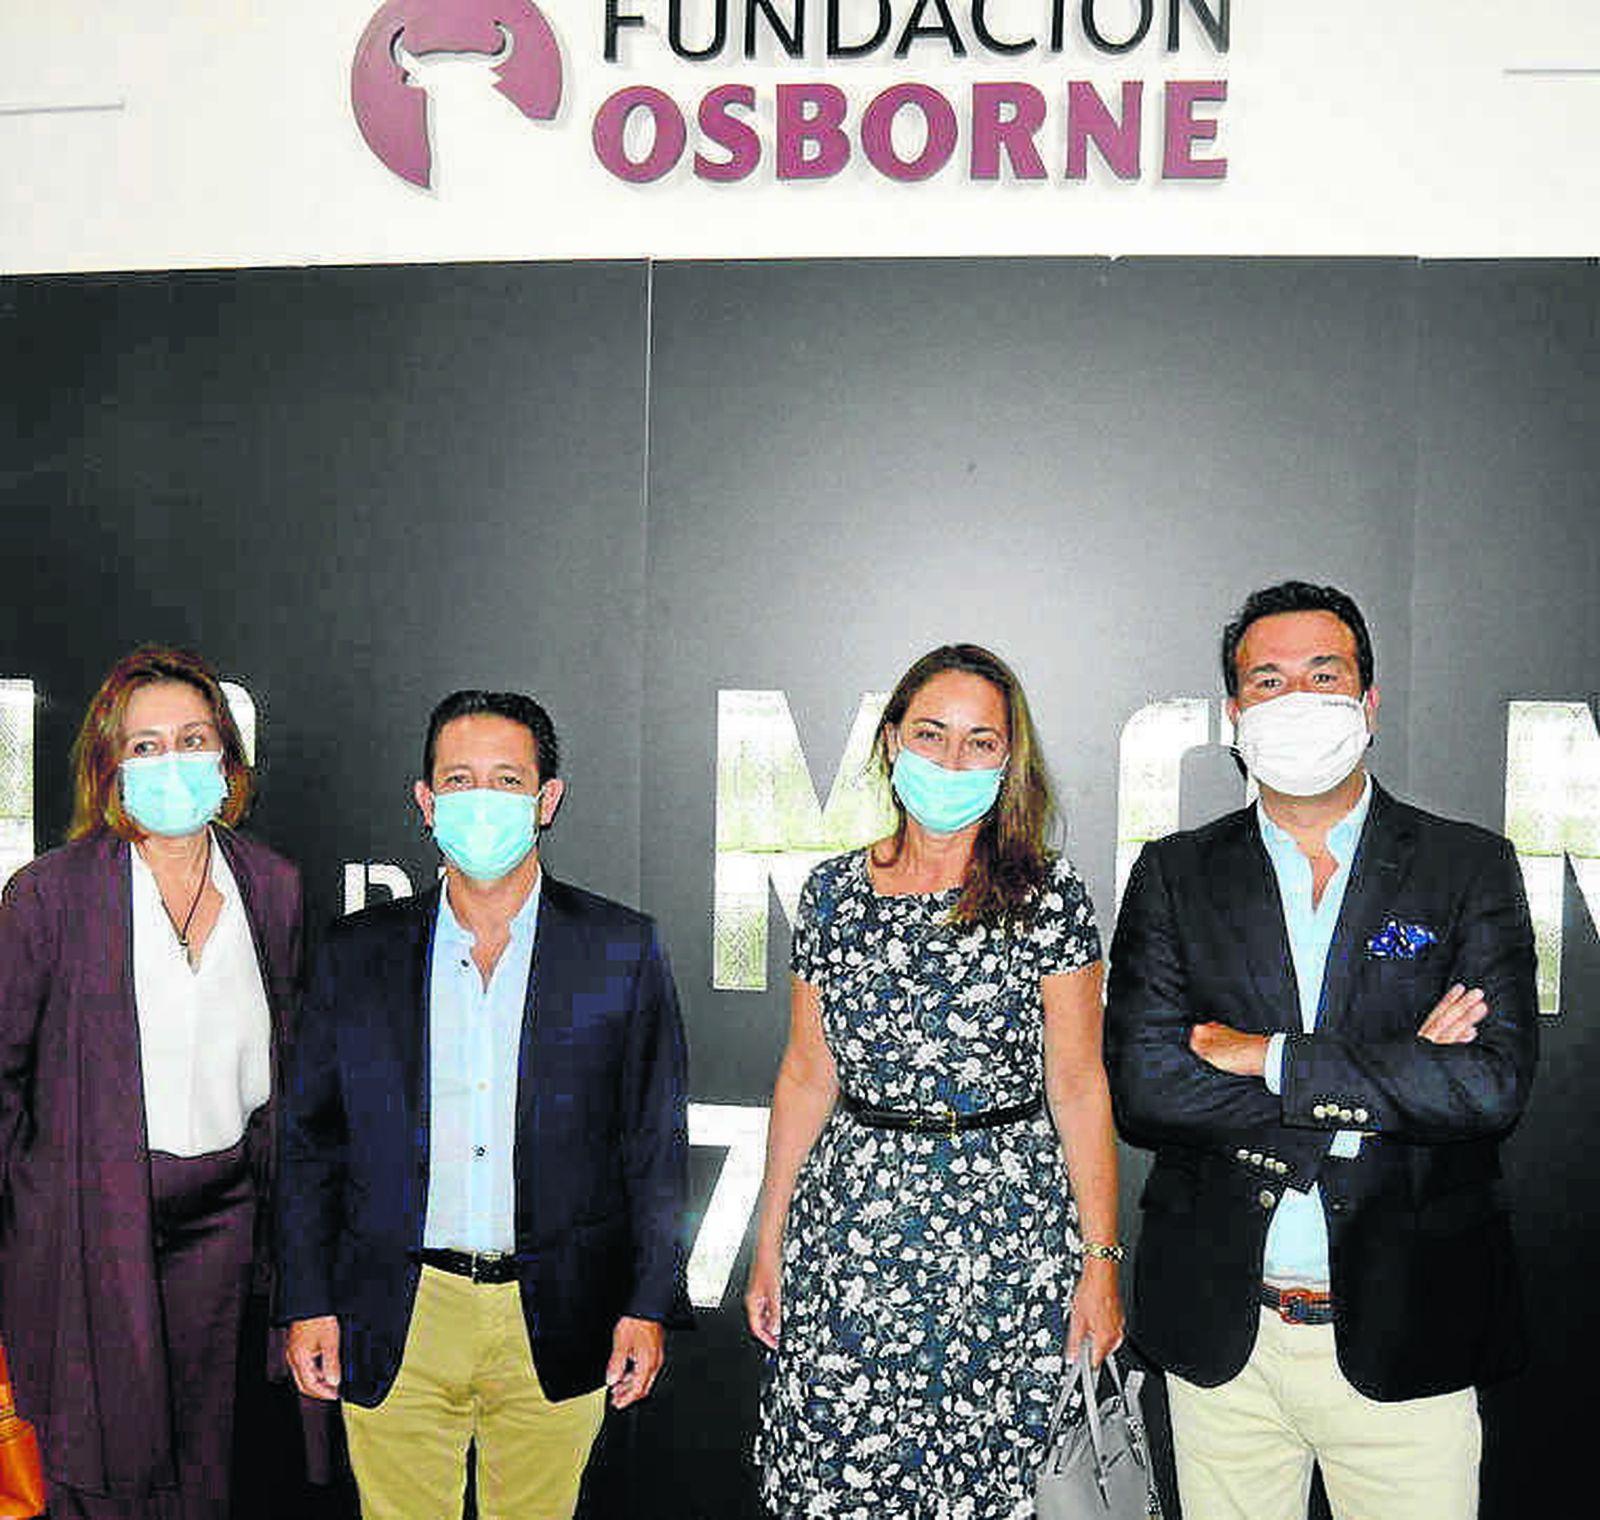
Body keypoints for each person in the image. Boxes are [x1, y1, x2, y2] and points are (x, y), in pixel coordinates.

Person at [1105, 580, 1538, 1520]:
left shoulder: (1467, 866)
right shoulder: (1174, 875)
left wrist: (1271, 1059)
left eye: (1323, 674)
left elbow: (1489, 1086)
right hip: (1228, 1341)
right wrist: (1394, 1069)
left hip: (1409, 1334)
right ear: (1234, 715)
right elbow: (1147, 1087)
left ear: (1368, 703)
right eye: (1268, 680)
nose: (1295, 699)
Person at [277, 689, 690, 1520]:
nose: (482, 801)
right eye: (459, 781)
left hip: (559, 1315)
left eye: (507, 781)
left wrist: (647, 1304)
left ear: (547, 801)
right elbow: (309, 1141)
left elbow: (652, 1142)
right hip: (394, 1308)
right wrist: (306, 1299)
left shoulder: (620, 948)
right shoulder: (356, 953)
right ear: (426, 805)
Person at [746, 643, 1123, 1520]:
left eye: (980, 742)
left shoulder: (1048, 897)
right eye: (932, 734)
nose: (953, 761)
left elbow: (1077, 1085)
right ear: (890, 743)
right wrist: (771, 1237)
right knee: (840, 1475)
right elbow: (806, 1075)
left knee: (995, 1483)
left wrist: (1100, 1264)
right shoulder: (834, 893)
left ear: (1008, 760)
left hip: (1009, 1242)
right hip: (850, 1237)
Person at [0, 646, 302, 1520]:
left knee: (210, 1464)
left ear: (227, 759)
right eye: (145, 746)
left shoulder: (272, 888)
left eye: (193, 738)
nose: (173, 761)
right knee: (98, 1470)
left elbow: (286, 1076)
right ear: (109, 768)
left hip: (229, 1222)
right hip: (88, 1227)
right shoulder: (47, 899)